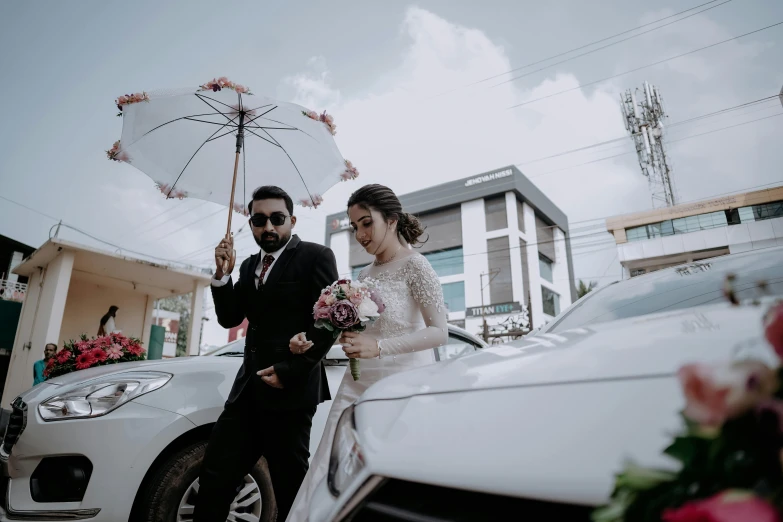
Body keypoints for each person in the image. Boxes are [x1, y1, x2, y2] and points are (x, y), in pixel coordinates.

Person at [286, 184, 448, 521]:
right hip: (356, 387)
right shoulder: (363, 275)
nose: (360, 234)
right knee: (330, 469)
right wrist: (313, 341)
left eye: (366, 223)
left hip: (401, 387)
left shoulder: (417, 267)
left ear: (391, 219)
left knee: (387, 477)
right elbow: (354, 332)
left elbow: (438, 332)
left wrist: (378, 347)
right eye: (354, 226)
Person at [193, 186, 339, 522]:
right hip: (247, 392)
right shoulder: (246, 267)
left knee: (289, 487)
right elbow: (230, 317)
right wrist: (222, 275)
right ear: (251, 223)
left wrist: (290, 370)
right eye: (260, 220)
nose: (269, 227)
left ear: (292, 219)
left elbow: (328, 323)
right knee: (216, 476)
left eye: (277, 219)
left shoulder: (316, 256)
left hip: (291, 394)